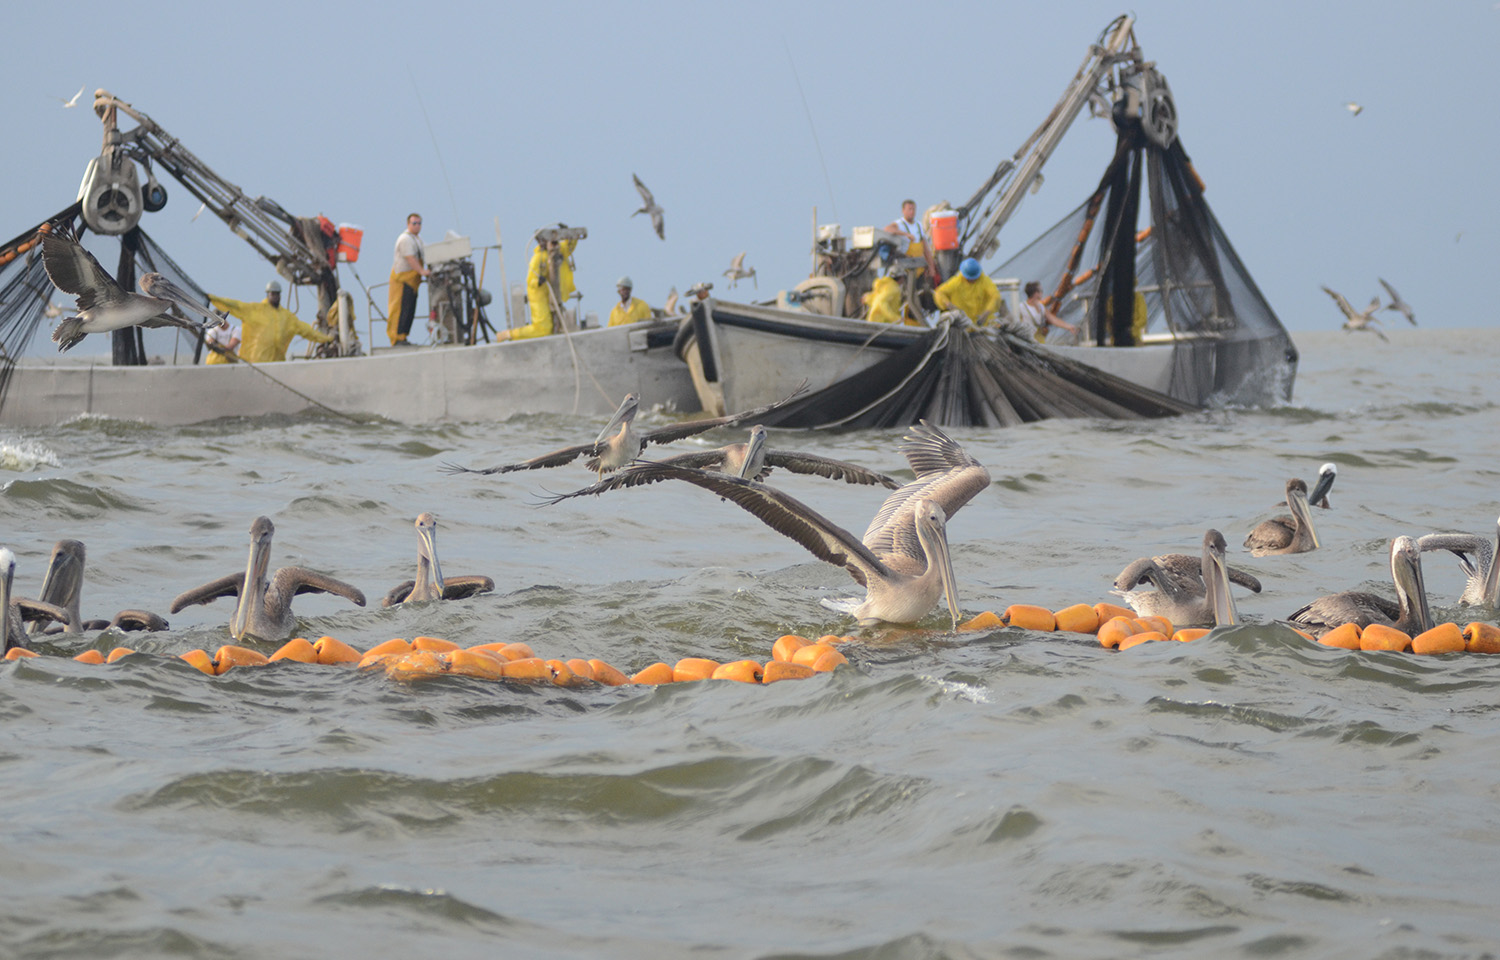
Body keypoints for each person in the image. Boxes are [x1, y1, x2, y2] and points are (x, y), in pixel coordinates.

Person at [207, 280, 333, 362]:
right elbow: (234, 305)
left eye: (277, 294)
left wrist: (327, 339)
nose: (275, 296)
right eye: (272, 294)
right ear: (267, 294)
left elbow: (307, 331)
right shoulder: (255, 309)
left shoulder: (287, 317)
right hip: (254, 362)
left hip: (276, 365)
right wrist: (212, 298)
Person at [499, 232, 578, 342]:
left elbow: (570, 246)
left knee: (554, 323)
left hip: (552, 294)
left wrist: (567, 233)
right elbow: (530, 281)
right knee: (543, 328)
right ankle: (509, 335)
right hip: (538, 295)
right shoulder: (538, 258)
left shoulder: (559, 251)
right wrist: (538, 281)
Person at [387, 213, 429, 347]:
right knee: (399, 309)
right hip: (402, 279)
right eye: (414, 223)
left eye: (419, 223)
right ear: (408, 224)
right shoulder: (405, 239)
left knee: (409, 310)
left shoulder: (418, 239)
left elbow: (427, 252)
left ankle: (403, 336)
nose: (417, 226)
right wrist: (422, 271)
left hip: (412, 281)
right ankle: (396, 338)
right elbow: (410, 258)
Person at [933, 258, 1002, 326]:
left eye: (974, 278)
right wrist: (948, 304)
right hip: (963, 324)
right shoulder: (956, 282)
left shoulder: (984, 281)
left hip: (984, 323)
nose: (972, 281)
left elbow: (995, 296)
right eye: (969, 279)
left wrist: (986, 313)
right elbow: (939, 293)